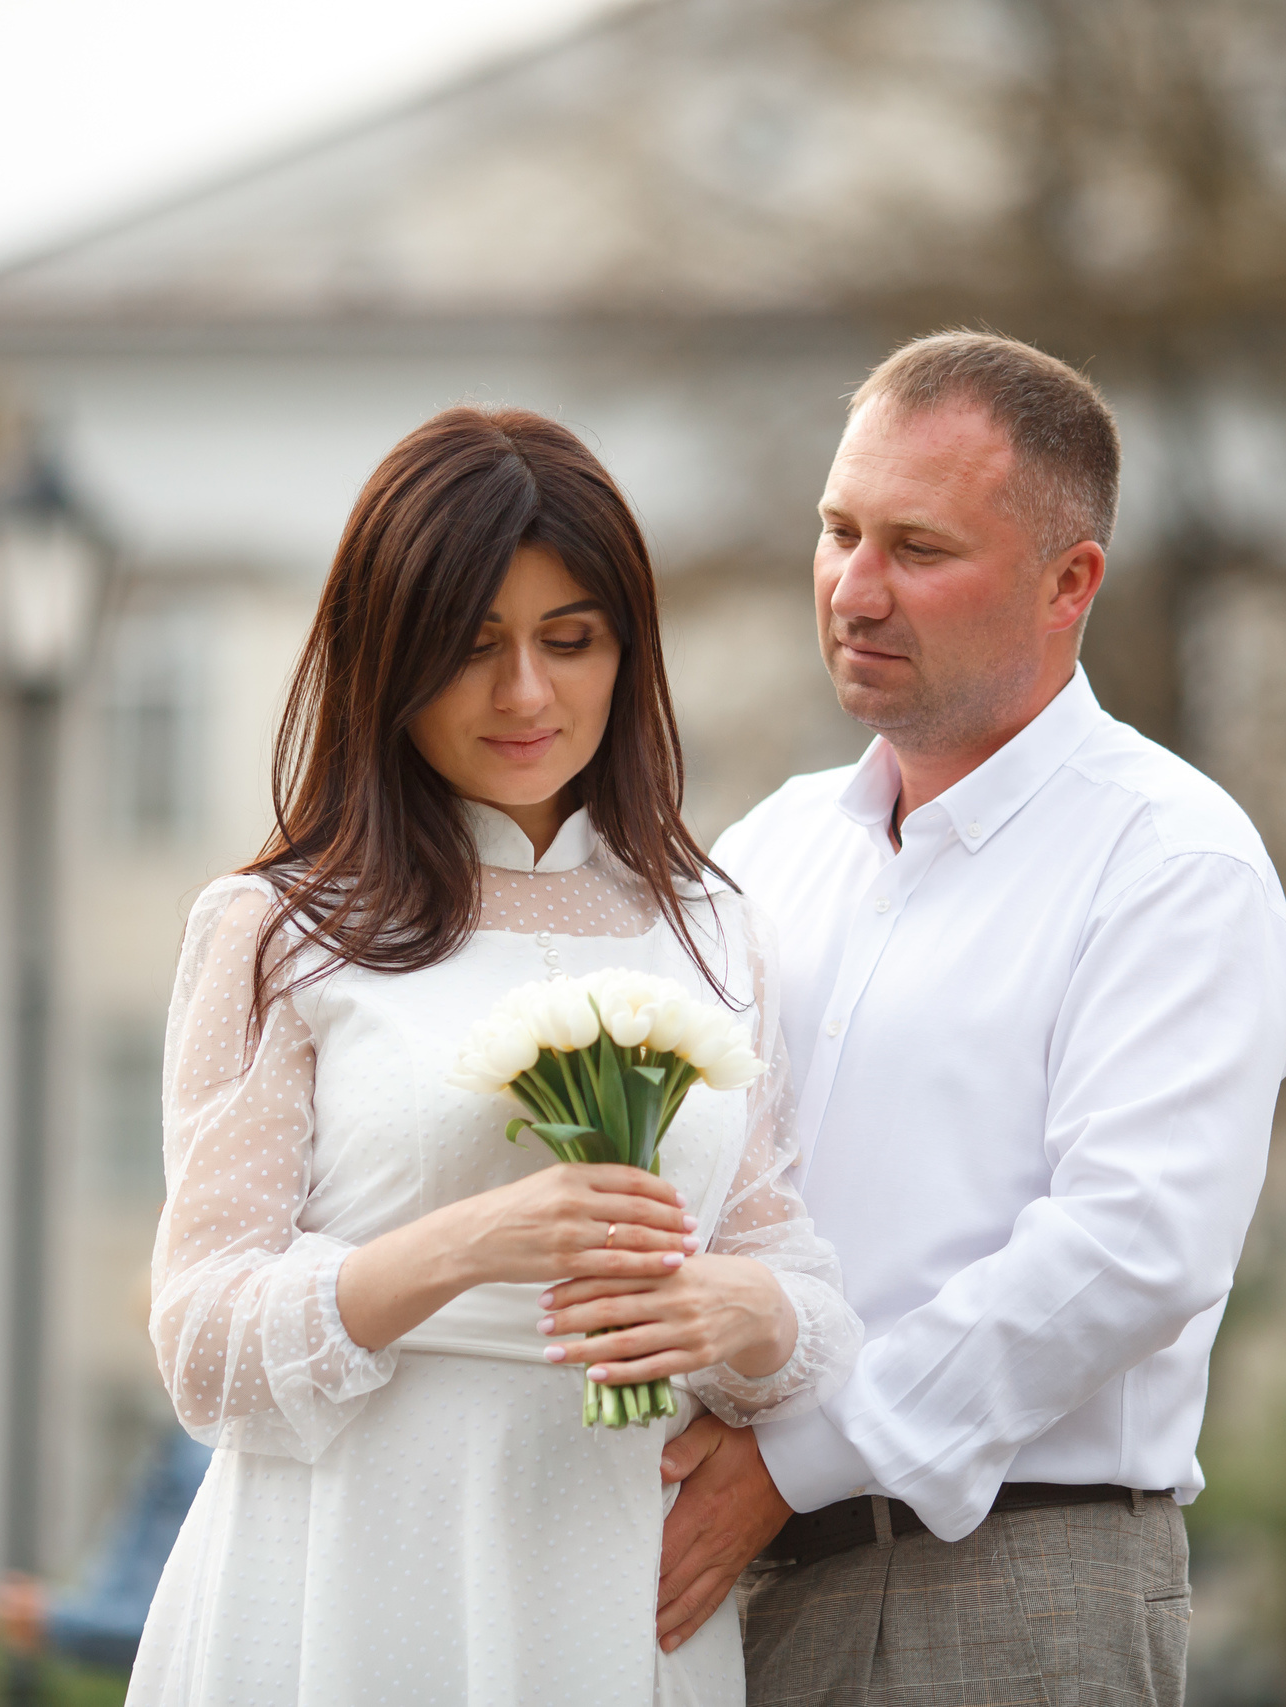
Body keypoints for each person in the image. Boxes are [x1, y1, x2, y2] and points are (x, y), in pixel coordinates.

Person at [126, 406, 863, 1707]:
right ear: (388, 661)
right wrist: (472, 1244)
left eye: (569, 642)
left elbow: (791, 1276)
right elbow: (202, 1342)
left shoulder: (712, 929)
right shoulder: (279, 934)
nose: (526, 693)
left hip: (617, 1578)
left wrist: (732, 1312)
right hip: (346, 1579)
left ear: (628, 654)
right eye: (472, 649)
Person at [657, 331, 1286, 1704]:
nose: (854, 587)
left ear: (1070, 582)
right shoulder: (767, 854)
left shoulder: (1170, 862)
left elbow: (1136, 1244)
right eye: (837, 531)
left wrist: (792, 1461)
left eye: (918, 547)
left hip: (1006, 1593)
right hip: (727, 1589)